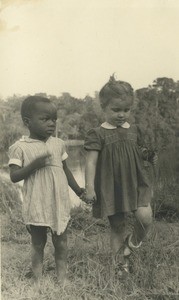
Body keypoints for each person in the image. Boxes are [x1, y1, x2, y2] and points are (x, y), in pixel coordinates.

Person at [84, 75, 157, 276]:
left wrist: (147, 155)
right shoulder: (97, 133)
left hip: (136, 182)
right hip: (112, 184)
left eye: (126, 110)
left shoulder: (134, 130)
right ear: (103, 106)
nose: (121, 115)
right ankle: (120, 266)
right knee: (117, 226)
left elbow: (136, 151)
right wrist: (89, 187)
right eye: (116, 110)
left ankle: (131, 245)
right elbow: (91, 161)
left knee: (145, 218)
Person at [8, 96, 85, 284]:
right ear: (28, 122)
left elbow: (65, 170)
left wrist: (78, 190)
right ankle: (37, 278)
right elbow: (14, 176)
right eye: (45, 119)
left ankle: (62, 277)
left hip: (59, 201)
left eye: (54, 119)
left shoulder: (58, 144)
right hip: (37, 202)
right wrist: (33, 165)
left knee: (61, 241)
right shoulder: (19, 148)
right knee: (38, 242)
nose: (51, 123)